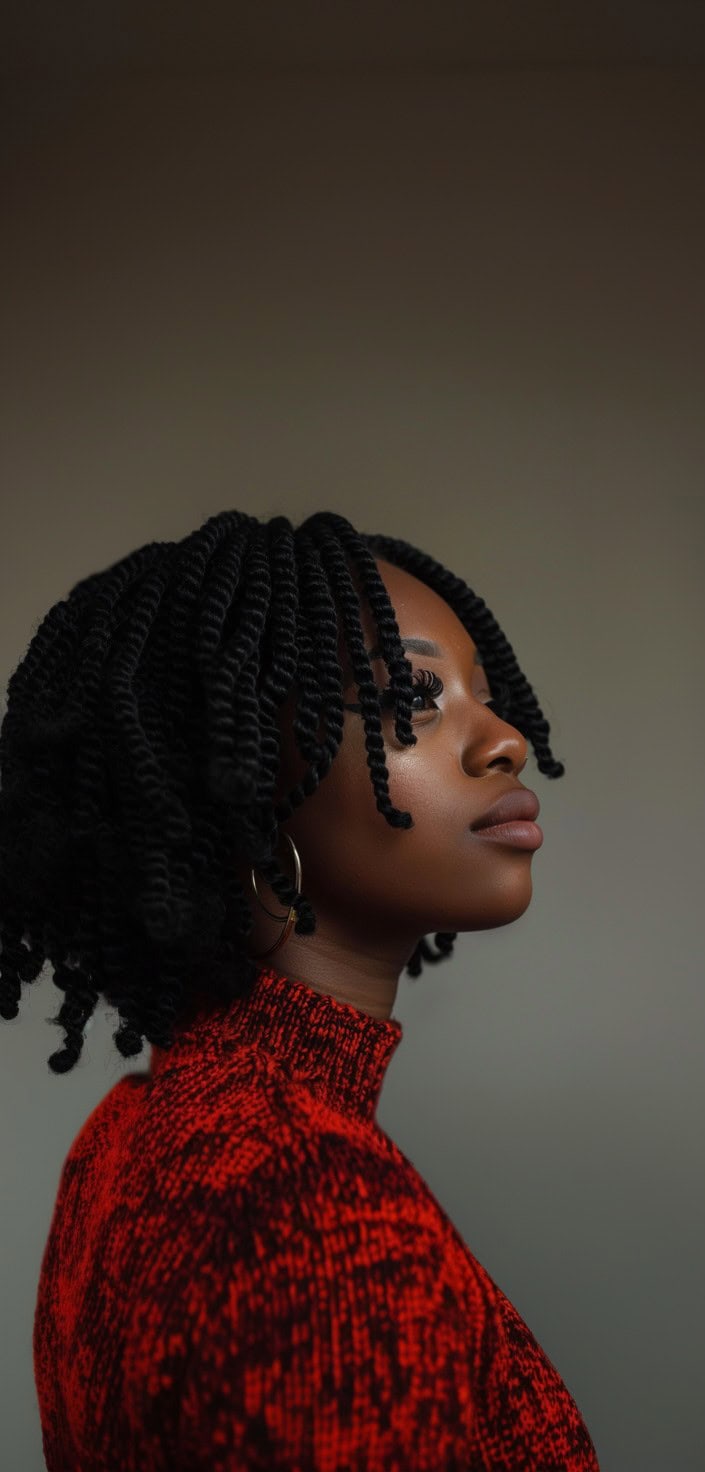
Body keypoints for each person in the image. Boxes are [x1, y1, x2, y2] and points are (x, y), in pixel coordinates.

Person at [0, 508, 600, 1470]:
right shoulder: (310, 1208)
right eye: (414, 693)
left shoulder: (131, 1135)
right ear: (241, 782)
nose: (505, 742)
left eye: (485, 696)